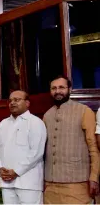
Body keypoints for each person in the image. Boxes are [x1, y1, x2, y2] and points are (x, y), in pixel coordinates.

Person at [43, 75, 99, 204]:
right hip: (50, 184)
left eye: (61, 87)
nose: (57, 91)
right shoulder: (47, 115)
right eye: (54, 88)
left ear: (70, 89)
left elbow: (93, 147)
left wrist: (94, 178)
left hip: (77, 183)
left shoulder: (84, 111)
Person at [0, 90, 47, 204]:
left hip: (29, 183)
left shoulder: (35, 122)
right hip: (7, 182)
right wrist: (0, 168)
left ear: (27, 103)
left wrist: (16, 172)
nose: (12, 103)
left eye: (17, 100)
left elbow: (36, 153)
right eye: (10, 100)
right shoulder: (3, 123)